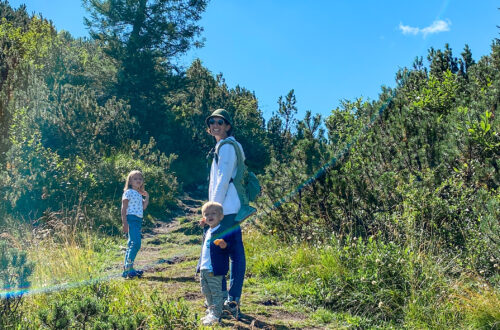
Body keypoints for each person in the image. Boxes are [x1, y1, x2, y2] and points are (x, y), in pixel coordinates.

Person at [205, 108, 246, 317]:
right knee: (235, 253)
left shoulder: (227, 147)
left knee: (221, 253)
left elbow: (223, 178)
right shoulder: (229, 145)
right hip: (230, 208)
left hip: (225, 209)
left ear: (227, 126)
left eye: (220, 122)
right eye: (212, 122)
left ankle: (225, 299)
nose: (215, 125)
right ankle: (232, 299)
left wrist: (213, 209)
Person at [197, 201, 236, 326]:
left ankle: (215, 315)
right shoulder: (208, 231)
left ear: (221, 216)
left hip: (214, 268)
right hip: (204, 267)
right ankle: (211, 311)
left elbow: (232, 247)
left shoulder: (223, 230)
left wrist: (225, 245)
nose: (210, 216)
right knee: (206, 291)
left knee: (215, 292)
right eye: (207, 214)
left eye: (213, 213)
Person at [121, 170, 149, 278]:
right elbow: (123, 209)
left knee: (131, 244)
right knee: (136, 243)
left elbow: (144, 207)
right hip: (131, 219)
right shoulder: (128, 192)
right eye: (135, 179)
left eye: (140, 179)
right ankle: (129, 268)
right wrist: (125, 223)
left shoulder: (138, 194)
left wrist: (147, 196)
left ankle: (127, 270)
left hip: (138, 220)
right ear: (130, 181)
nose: (138, 180)